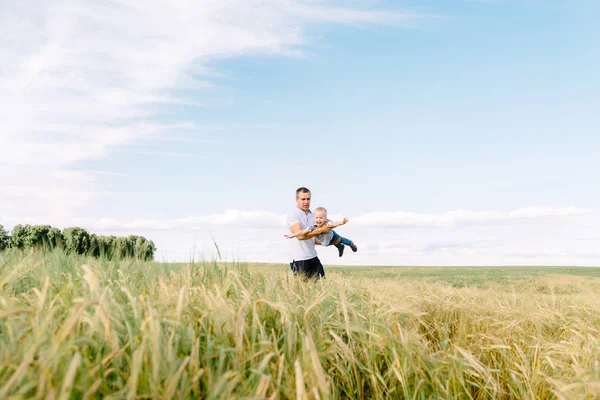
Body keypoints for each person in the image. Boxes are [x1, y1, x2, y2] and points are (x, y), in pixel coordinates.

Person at [286, 187, 336, 279]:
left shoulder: (313, 215)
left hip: (313, 256)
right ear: (297, 199)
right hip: (299, 259)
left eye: (308, 199)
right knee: (302, 290)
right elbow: (301, 236)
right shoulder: (294, 214)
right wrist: (321, 230)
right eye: (303, 199)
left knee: (322, 287)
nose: (306, 202)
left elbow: (313, 237)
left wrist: (328, 242)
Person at [285, 207, 358, 257]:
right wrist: (292, 235)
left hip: (332, 236)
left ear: (325, 219)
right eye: (316, 218)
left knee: (340, 240)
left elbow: (334, 224)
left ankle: (351, 243)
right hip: (325, 241)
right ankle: (341, 247)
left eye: (321, 218)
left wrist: (341, 222)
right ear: (314, 218)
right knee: (333, 243)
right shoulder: (313, 226)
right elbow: (302, 232)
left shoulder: (328, 223)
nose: (318, 220)